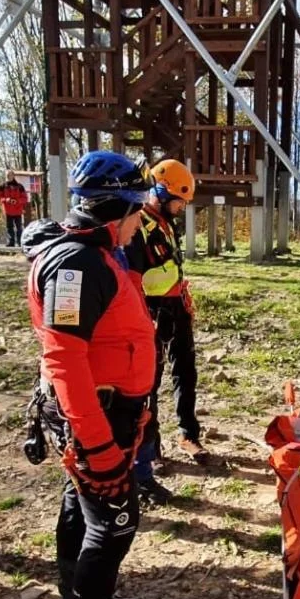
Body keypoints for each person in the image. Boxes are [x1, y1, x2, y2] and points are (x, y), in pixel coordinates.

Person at [23, 150, 156, 599]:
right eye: (138, 210)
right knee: (114, 525)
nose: (141, 221)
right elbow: (63, 359)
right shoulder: (78, 263)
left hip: (99, 414)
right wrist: (99, 444)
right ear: (116, 210)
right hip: (93, 420)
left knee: (81, 507)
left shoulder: (98, 253)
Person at [125, 158, 208, 506]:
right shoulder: (138, 224)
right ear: (159, 191)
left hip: (176, 307)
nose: (182, 207)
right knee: (150, 383)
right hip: (151, 311)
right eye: (179, 200)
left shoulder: (166, 222)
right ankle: (152, 447)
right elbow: (135, 278)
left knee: (186, 372)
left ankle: (189, 433)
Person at [0, 171, 29, 248]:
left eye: (10, 175)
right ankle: (11, 242)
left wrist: (17, 201)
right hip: (8, 210)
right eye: (7, 175)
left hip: (18, 210)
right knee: (9, 227)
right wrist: (6, 200)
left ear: (13, 176)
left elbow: (25, 198)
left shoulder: (20, 186)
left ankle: (20, 242)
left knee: (19, 227)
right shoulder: (2, 186)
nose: (9, 177)